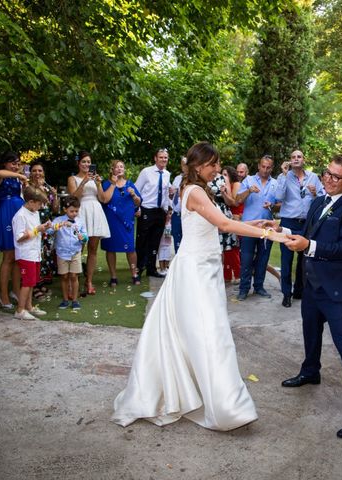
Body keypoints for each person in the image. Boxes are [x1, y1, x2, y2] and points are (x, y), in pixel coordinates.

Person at [112, 141, 289, 430]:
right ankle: (226, 406)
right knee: (211, 334)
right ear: (198, 166)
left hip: (203, 268)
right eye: (214, 164)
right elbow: (225, 225)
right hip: (195, 272)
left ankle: (202, 392)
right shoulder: (194, 191)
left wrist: (257, 222)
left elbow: (221, 220)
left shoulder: (196, 189)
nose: (218, 169)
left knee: (196, 333)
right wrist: (269, 234)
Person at [272, 154, 342, 439]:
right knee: (310, 331)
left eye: (336, 176)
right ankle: (310, 370)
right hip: (312, 284)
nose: (328, 180)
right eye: (327, 173)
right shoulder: (319, 202)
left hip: (337, 289)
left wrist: (309, 246)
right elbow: (307, 234)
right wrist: (280, 230)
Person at [274, 149, 324, 307]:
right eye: (293, 157)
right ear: (290, 160)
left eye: (299, 156)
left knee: (306, 260)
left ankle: (300, 291)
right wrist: (282, 175)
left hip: (307, 224)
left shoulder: (314, 177)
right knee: (286, 260)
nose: (296, 159)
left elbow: (323, 200)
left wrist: (315, 194)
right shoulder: (284, 177)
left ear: (304, 159)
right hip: (289, 222)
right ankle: (286, 294)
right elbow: (278, 197)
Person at [235, 155, 278, 301]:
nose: (265, 170)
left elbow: (281, 204)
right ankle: (243, 289)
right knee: (246, 259)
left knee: (262, 259)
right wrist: (249, 191)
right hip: (249, 226)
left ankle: (259, 287)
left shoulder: (276, 183)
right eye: (263, 166)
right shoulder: (248, 180)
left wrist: (272, 205)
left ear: (272, 168)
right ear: (258, 166)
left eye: (268, 167)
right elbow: (237, 200)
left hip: (267, 227)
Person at [67, 151, 110, 295]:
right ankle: (74, 280)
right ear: (78, 163)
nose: (86, 164)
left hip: (95, 211)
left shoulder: (95, 179)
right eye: (84, 161)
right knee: (77, 247)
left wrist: (98, 184)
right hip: (80, 211)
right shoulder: (72, 179)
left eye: (88, 162)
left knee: (93, 248)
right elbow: (74, 198)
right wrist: (84, 181)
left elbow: (103, 199)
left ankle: (89, 281)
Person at [0, 152, 27, 309]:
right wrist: (20, 175)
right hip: (6, 214)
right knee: (8, 256)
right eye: (12, 163)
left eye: (18, 163)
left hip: (19, 213)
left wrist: (23, 181)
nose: (16, 166)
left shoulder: (16, 179)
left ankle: (16, 291)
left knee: (18, 256)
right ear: (4, 163)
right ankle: (3, 294)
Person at [11, 186, 51, 320]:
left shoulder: (34, 213)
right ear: (31, 202)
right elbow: (19, 236)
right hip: (26, 254)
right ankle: (20, 310)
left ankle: (29, 307)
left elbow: (36, 230)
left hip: (34, 253)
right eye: (39, 203)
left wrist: (43, 228)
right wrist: (36, 230)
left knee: (32, 282)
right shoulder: (20, 215)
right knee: (27, 283)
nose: (40, 206)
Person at [100, 160, 141, 286]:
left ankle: (134, 274)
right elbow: (104, 200)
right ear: (112, 170)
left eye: (121, 167)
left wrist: (134, 195)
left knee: (130, 248)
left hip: (127, 222)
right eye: (116, 167)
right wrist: (113, 183)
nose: (119, 169)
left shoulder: (130, 184)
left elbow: (138, 202)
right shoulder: (106, 184)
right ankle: (113, 277)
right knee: (110, 248)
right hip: (111, 221)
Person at [134, 148, 171, 278]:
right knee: (142, 241)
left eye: (165, 157)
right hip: (146, 209)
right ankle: (138, 269)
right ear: (155, 158)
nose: (163, 160)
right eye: (161, 157)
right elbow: (136, 190)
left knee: (155, 242)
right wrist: (137, 208)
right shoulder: (146, 172)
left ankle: (151, 269)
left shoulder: (167, 174)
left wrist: (166, 210)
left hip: (160, 212)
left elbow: (166, 194)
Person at [28, 161, 59, 300]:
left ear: (44, 173)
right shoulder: (27, 188)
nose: (37, 173)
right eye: (34, 171)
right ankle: (33, 286)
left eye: (40, 171)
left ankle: (39, 283)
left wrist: (55, 196)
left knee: (45, 256)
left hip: (47, 227)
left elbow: (55, 209)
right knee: (34, 255)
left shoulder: (48, 188)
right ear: (30, 173)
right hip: (35, 226)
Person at [52, 197, 87, 310]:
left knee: (74, 276)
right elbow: (49, 230)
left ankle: (75, 300)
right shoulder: (58, 220)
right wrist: (60, 225)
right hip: (62, 253)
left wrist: (83, 238)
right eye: (71, 211)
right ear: (65, 209)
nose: (74, 213)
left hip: (75, 252)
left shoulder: (80, 221)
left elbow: (85, 237)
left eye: (76, 211)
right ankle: (65, 300)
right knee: (64, 276)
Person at [221, 165, 243, 282]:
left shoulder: (236, 184)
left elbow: (233, 202)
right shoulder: (225, 185)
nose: (223, 177)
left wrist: (225, 190)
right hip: (227, 216)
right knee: (226, 248)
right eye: (222, 175)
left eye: (225, 175)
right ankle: (227, 275)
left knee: (233, 248)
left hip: (236, 216)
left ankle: (238, 274)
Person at [169, 158, 188, 253]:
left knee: (186, 240)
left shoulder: (193, 179)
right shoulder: (177, 178)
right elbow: (171, 197)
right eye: (183, 164)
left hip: (187, 214)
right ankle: (178, 262)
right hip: (176, 213)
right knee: (177, 238)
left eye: (187, 164)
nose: (185, 166)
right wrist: (171, 193)